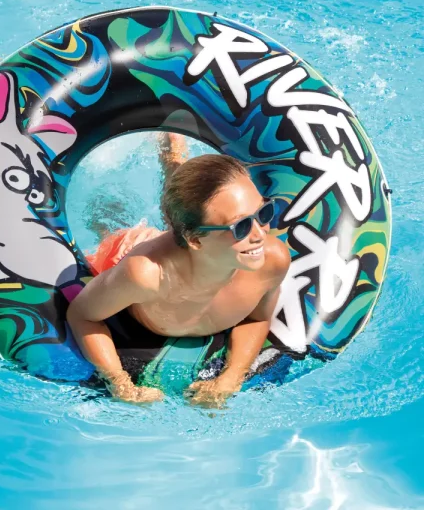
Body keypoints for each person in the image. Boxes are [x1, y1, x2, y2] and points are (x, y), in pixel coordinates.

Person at [67, 133, 291, 408]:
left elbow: (257, 319)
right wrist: (120, 384)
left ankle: (174, 157)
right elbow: (82, 315)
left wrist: (232, 376)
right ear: (195, 239)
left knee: (189, 213)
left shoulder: (272, 261)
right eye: (241, 226)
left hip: (196, 245)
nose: (260, 234)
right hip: (130, 248)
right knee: (107, 226)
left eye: (263, 213)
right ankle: (169, 157)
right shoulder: (146, 274)